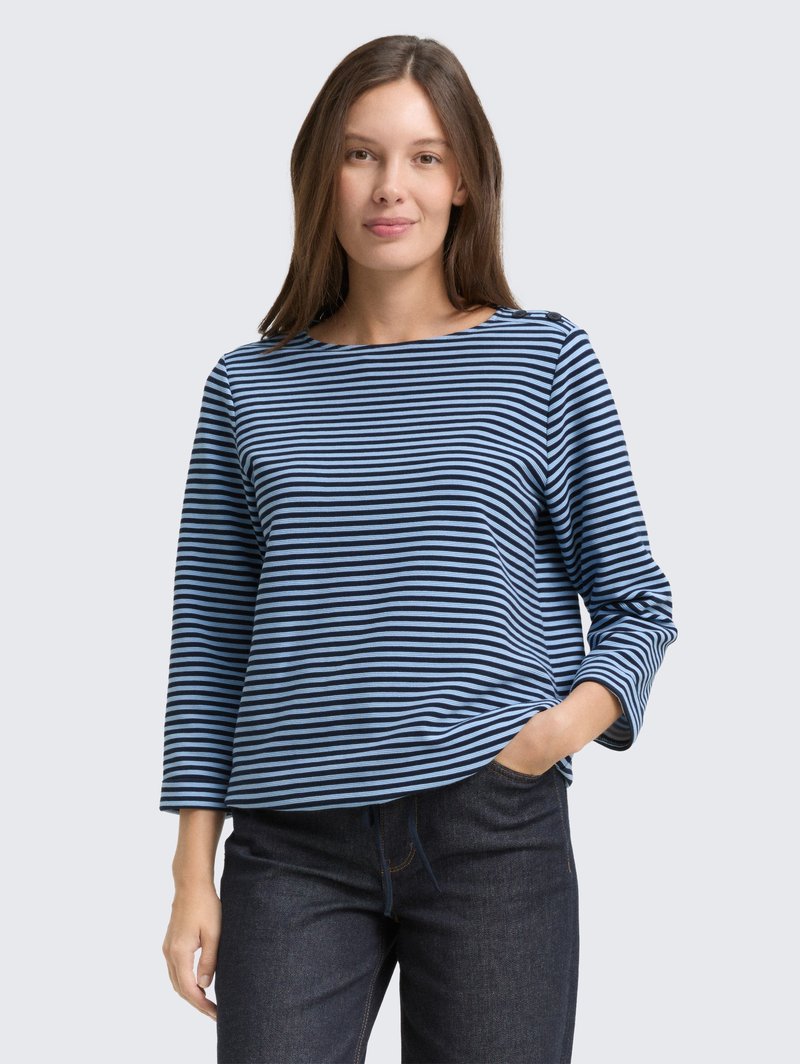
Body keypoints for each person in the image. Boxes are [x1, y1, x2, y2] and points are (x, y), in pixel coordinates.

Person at [160, 33, 678, 1064]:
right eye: (360, 154)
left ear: (464, 182)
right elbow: (211, 641)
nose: (389, 186)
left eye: (424, 157)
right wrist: (190, 874)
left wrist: (548, 737)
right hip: (290, 844)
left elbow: (637, 605)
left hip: (489, 828)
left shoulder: (541, 361)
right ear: (321, 173)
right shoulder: (246, 388)